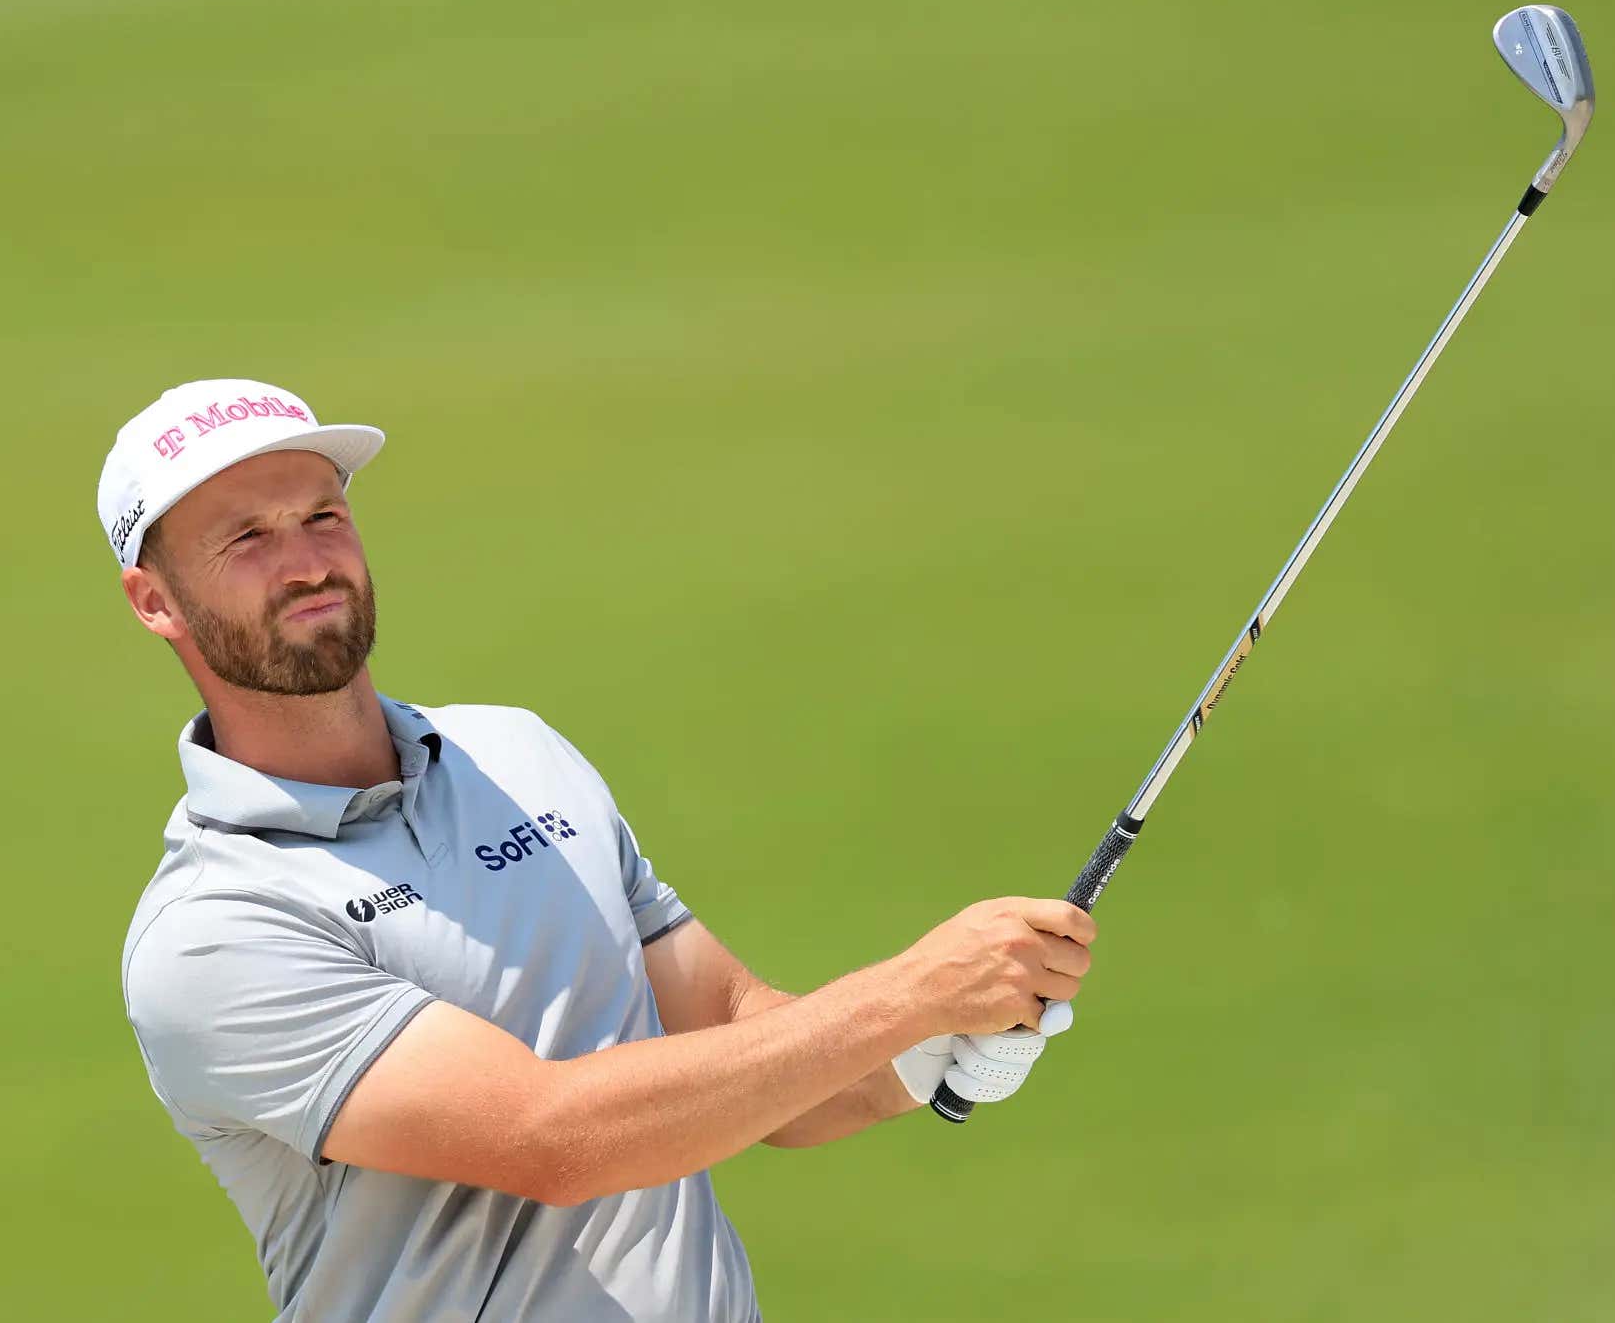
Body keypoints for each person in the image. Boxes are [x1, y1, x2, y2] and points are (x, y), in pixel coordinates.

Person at [103, 379, 1096, 1322]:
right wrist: (906, 995)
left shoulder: (515, 755)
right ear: (155, 602)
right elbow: (552, 1139)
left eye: (323, 515)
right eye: (246, 538)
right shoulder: (214, 932)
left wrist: (933, 1048)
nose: (309, 561)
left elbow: (746, 1047)